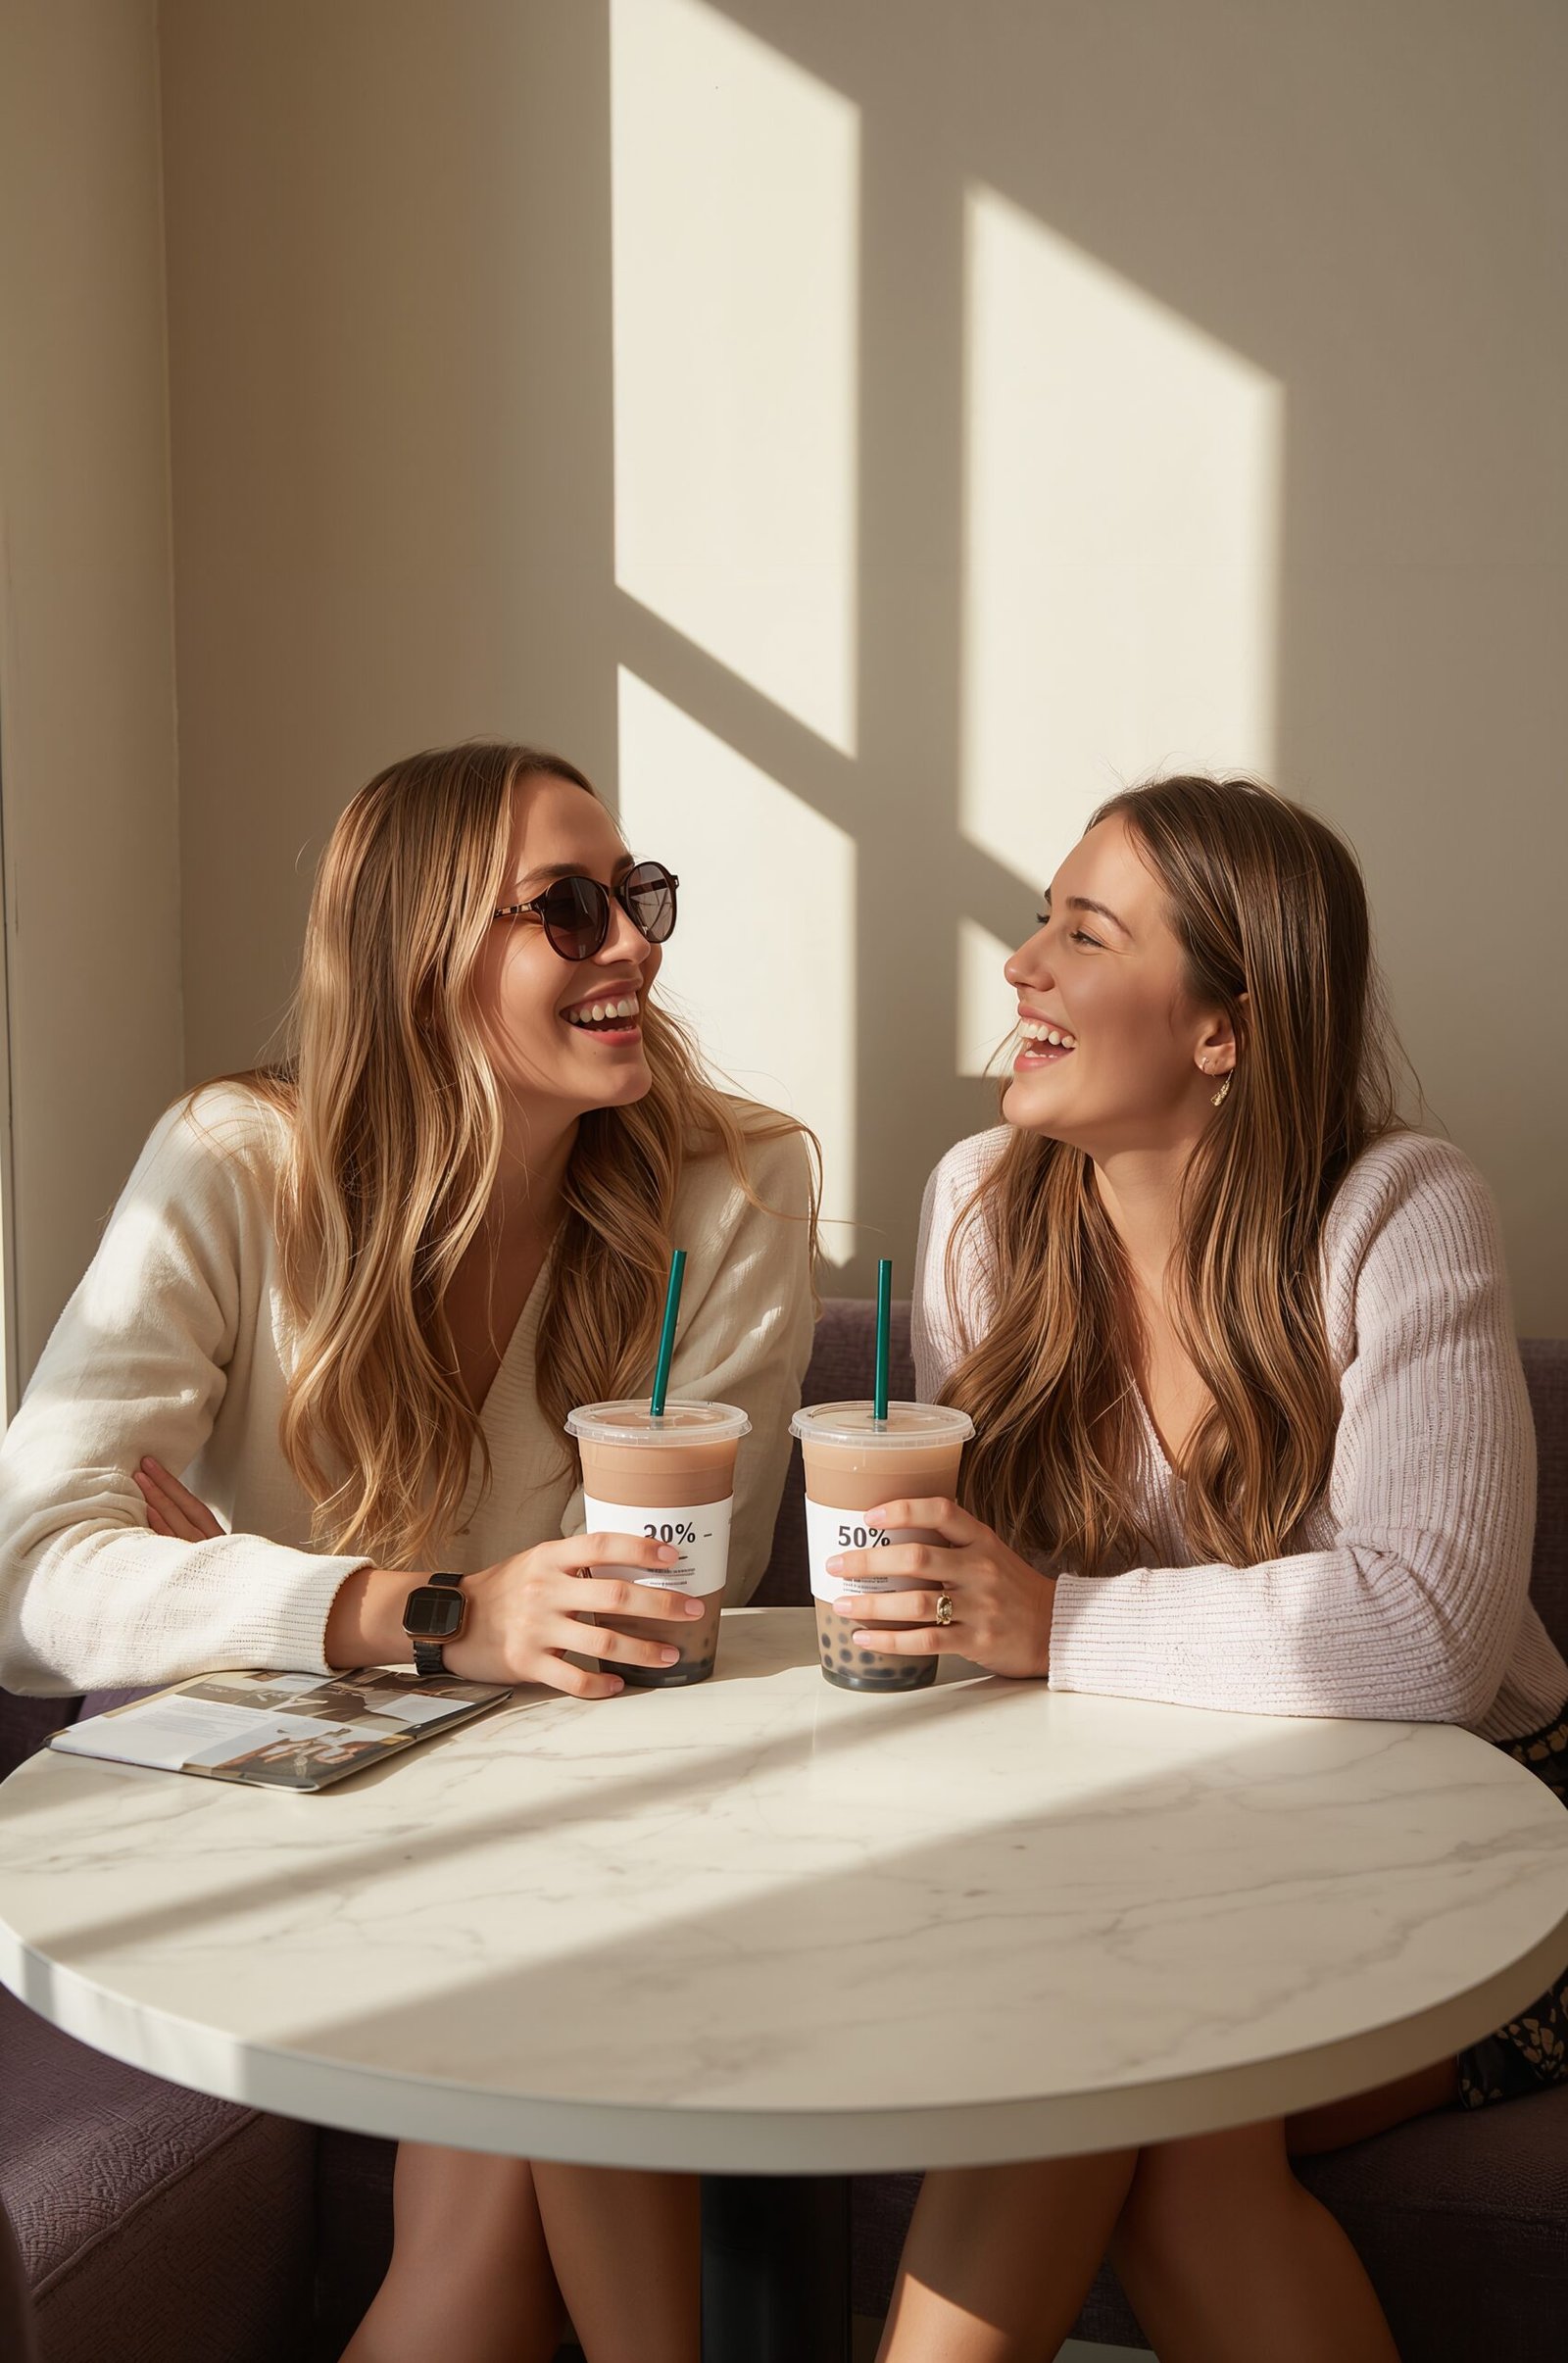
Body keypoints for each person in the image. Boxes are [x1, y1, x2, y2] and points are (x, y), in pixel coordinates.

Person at [0, 739, 819, 2363]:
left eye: (637, 897)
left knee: (514, 2111)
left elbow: (649, 1616)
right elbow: (29, 1578)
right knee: (542, 2044)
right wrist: (435, 1610)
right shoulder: (239, 1163)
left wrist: (248, 1590)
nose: (633, 946)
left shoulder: (732, 1186)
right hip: (243, 1818)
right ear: (419, 952)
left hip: (549, 1831)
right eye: (567, 909)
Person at [821, 774, 1565, 2363]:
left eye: (1084, 935)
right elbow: (976, 1622)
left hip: (1471, 1839)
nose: (1021, 963)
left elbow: (1430, 1637)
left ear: (1225, 1027)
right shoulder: (979, 1210)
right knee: (1104, 2059)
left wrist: (1056, 1621)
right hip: (1140, 1843)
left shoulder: (1400, 1209)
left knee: (1125, 2088)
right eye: (1041, 920)